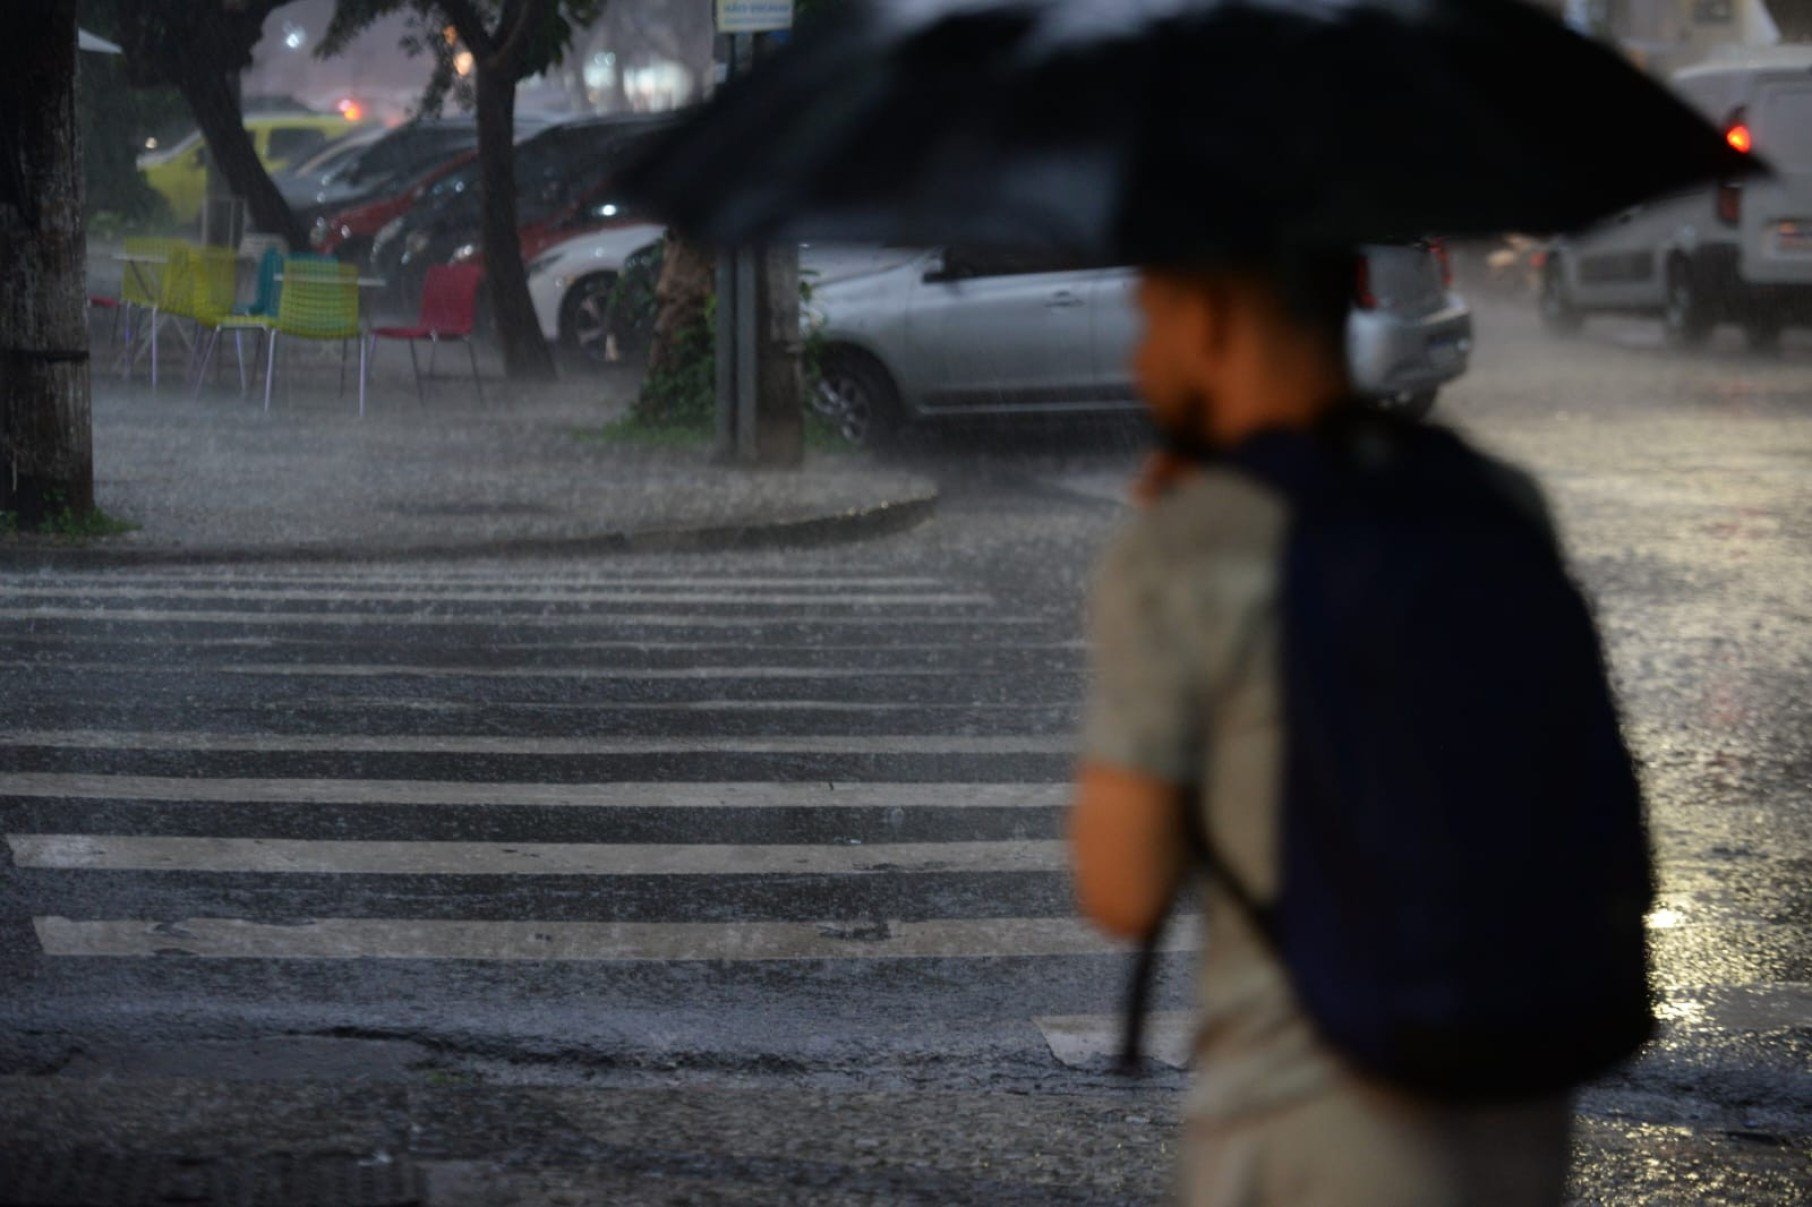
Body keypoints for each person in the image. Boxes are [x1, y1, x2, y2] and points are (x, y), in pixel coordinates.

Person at [1068, 258, 1574, 1206]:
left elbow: (1122, 885)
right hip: (1514, 1100)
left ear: (1214, 319)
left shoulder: (1193, 541)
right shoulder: (1500, 500)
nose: (1138, 358)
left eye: (1150, 319)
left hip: (1308, 1121)